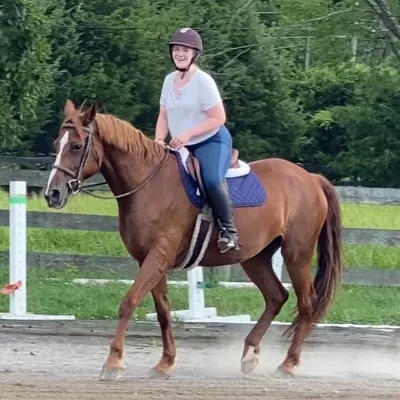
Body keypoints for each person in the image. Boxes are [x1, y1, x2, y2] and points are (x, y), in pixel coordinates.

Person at [154, 27, 240, 254]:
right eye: (176, 49)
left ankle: (229, 232)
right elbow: (163, 115)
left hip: (210, 141)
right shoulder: (168, 80)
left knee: (211, 180)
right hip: (180, 145)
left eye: (184, 50)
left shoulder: (204, 82)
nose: (179, 53)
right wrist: (159, 139)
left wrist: (187, 134)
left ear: (194, 54)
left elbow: (219, 118)